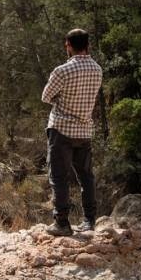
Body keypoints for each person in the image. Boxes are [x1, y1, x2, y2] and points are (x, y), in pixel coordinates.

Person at [41, 29, 103, 236]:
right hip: (84, 130)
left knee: (59, 176)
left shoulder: (62, 71)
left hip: (61, 130)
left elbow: (46, 96)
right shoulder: (97, 70)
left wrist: (61, 100)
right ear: (88, 45)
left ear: (68, 45)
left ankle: (62, 223)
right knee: (86, 176)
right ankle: (89, 220)